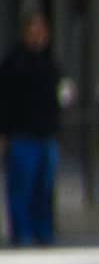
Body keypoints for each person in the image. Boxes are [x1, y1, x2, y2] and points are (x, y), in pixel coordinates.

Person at [0, 12, 62, 245]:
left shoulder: (50, 62)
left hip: (46, 135)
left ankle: (44, 232)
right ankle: (22, 233)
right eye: (33, 31)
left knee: (44, 189)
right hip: (22, 135)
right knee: (21, 188)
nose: (38, 36)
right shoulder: (14, 63)